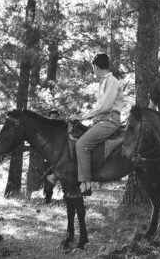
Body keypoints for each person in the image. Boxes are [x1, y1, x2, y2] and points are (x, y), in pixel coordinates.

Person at [69, 53, 124, 196]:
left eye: (92, 67)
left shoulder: (111, 81)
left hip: (109, 120)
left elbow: (104, 107)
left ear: (96, 67)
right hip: (102, 120)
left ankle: (85, 185)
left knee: (81, 144)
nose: (92, 70)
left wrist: (82, 116)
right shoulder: (104, 82)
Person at [26, 110, 60, 201]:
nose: (53, 118)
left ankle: (66, 199)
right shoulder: (44, 131)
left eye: (55, 117)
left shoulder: (61, 130)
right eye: (51, 117)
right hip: (48, 158)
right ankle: (47, 199)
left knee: (64, 177)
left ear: (58, 118)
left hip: (60, 158)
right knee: (48, 178)